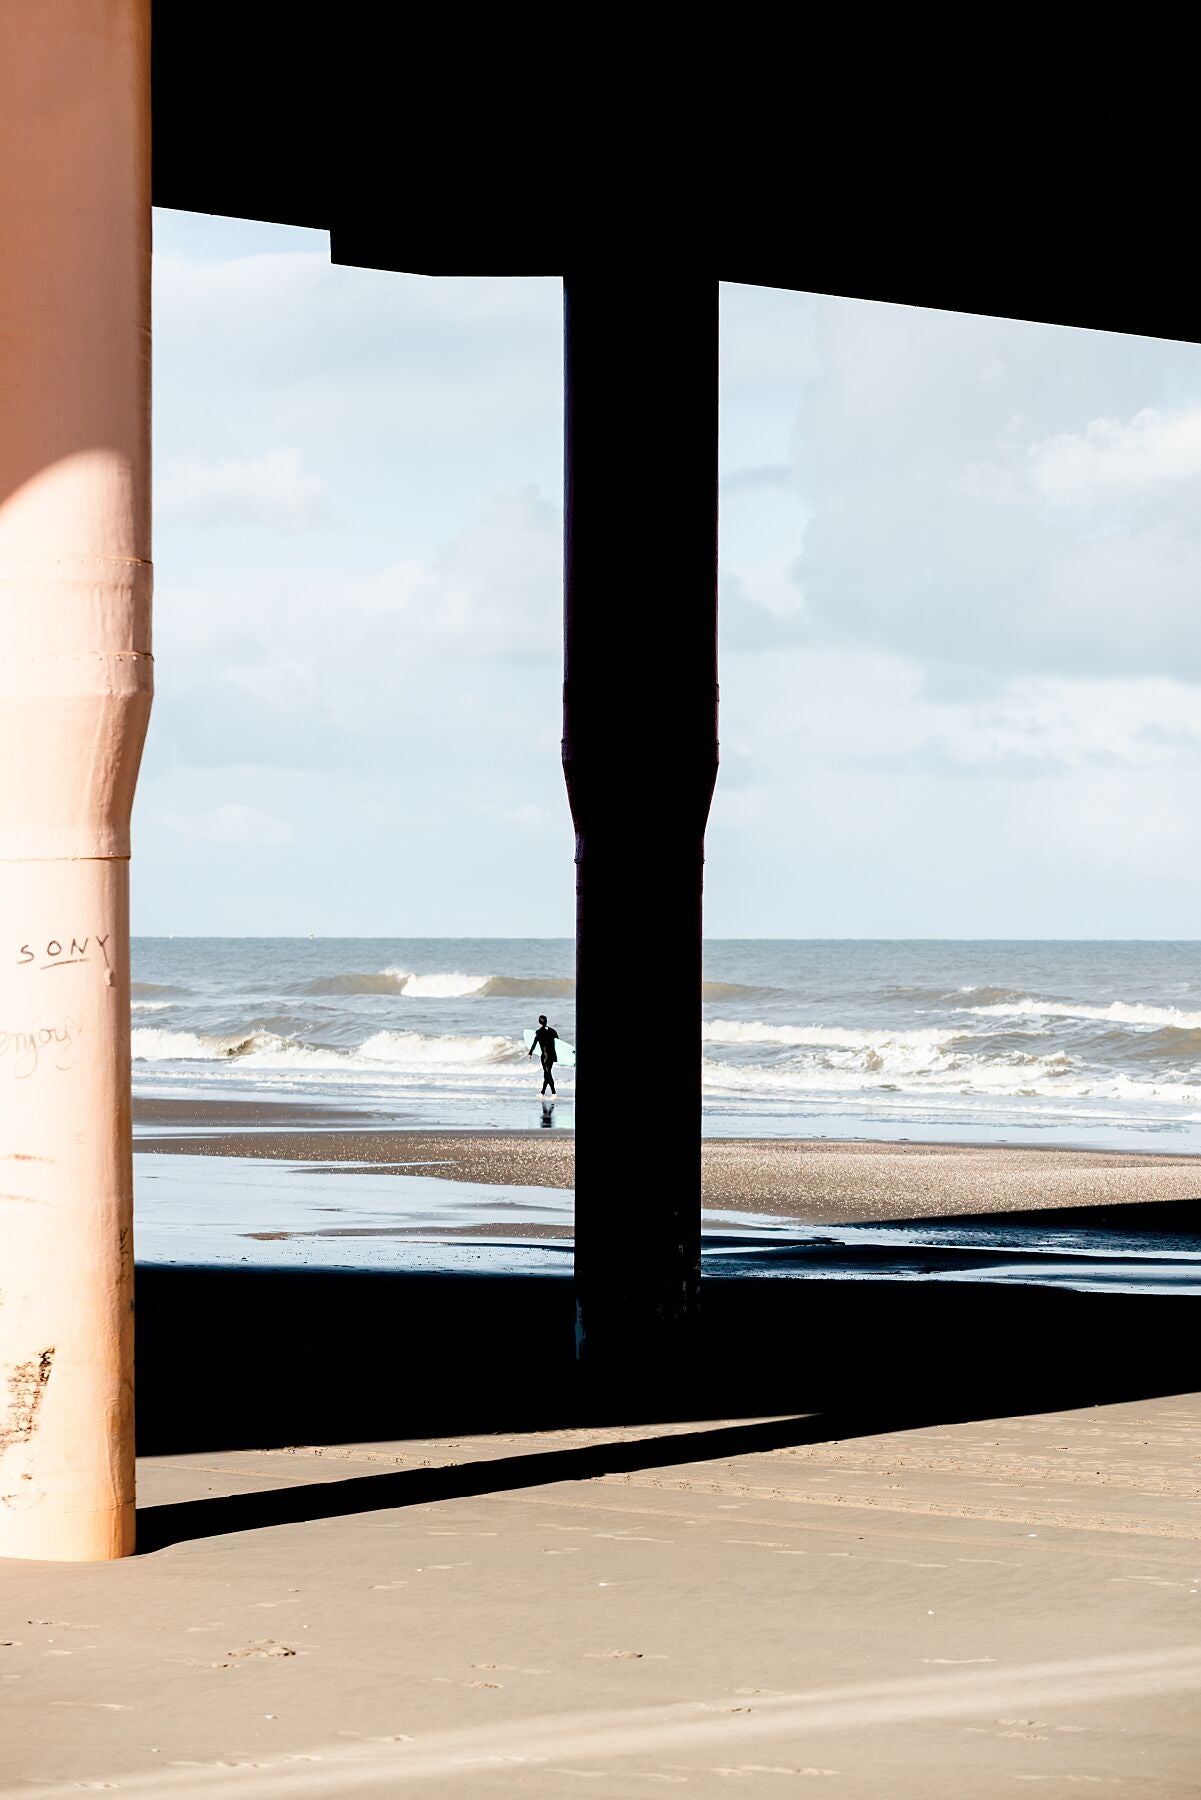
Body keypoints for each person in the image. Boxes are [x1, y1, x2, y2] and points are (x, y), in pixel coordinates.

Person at [528, 1014, 559, 1096]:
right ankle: (542, 1093)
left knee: (548, 1074)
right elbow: (559, 1043)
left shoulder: (538, 1032)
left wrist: (530, 1053)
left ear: (539, 1022)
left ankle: (554, 1093)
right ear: (546, 1021)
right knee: (546, 1074)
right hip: (552, 1055)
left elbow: (534, 1043)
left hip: (545, 1057)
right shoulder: (553, 1031)